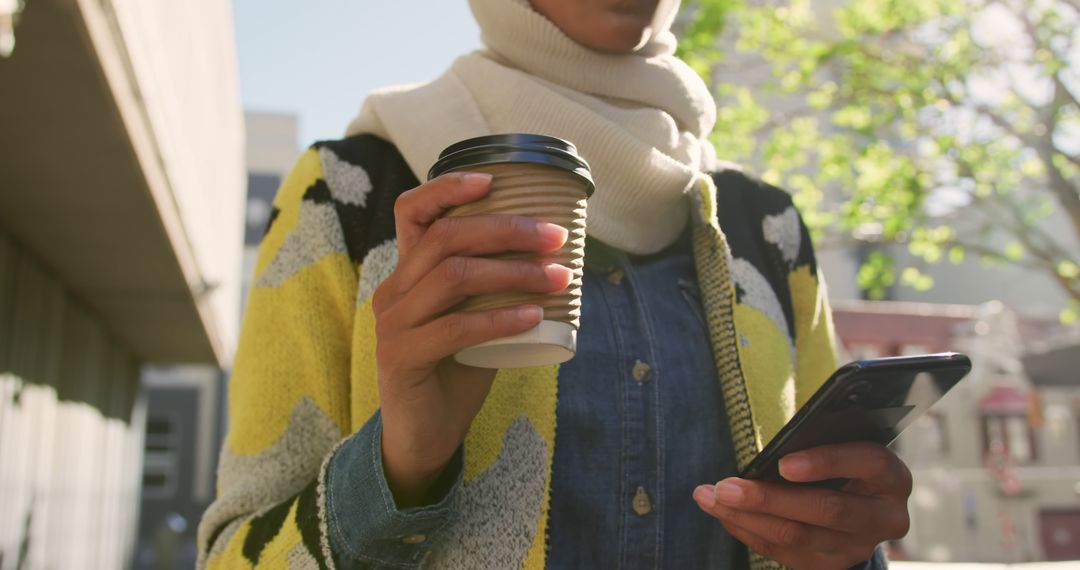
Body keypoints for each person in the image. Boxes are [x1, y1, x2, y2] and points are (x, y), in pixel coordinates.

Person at [196, 0, 912, 568]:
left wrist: (847, 550)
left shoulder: (769, 229)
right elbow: (233, 556)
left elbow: (836, 527)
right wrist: (398, 466)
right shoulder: (347, 194)